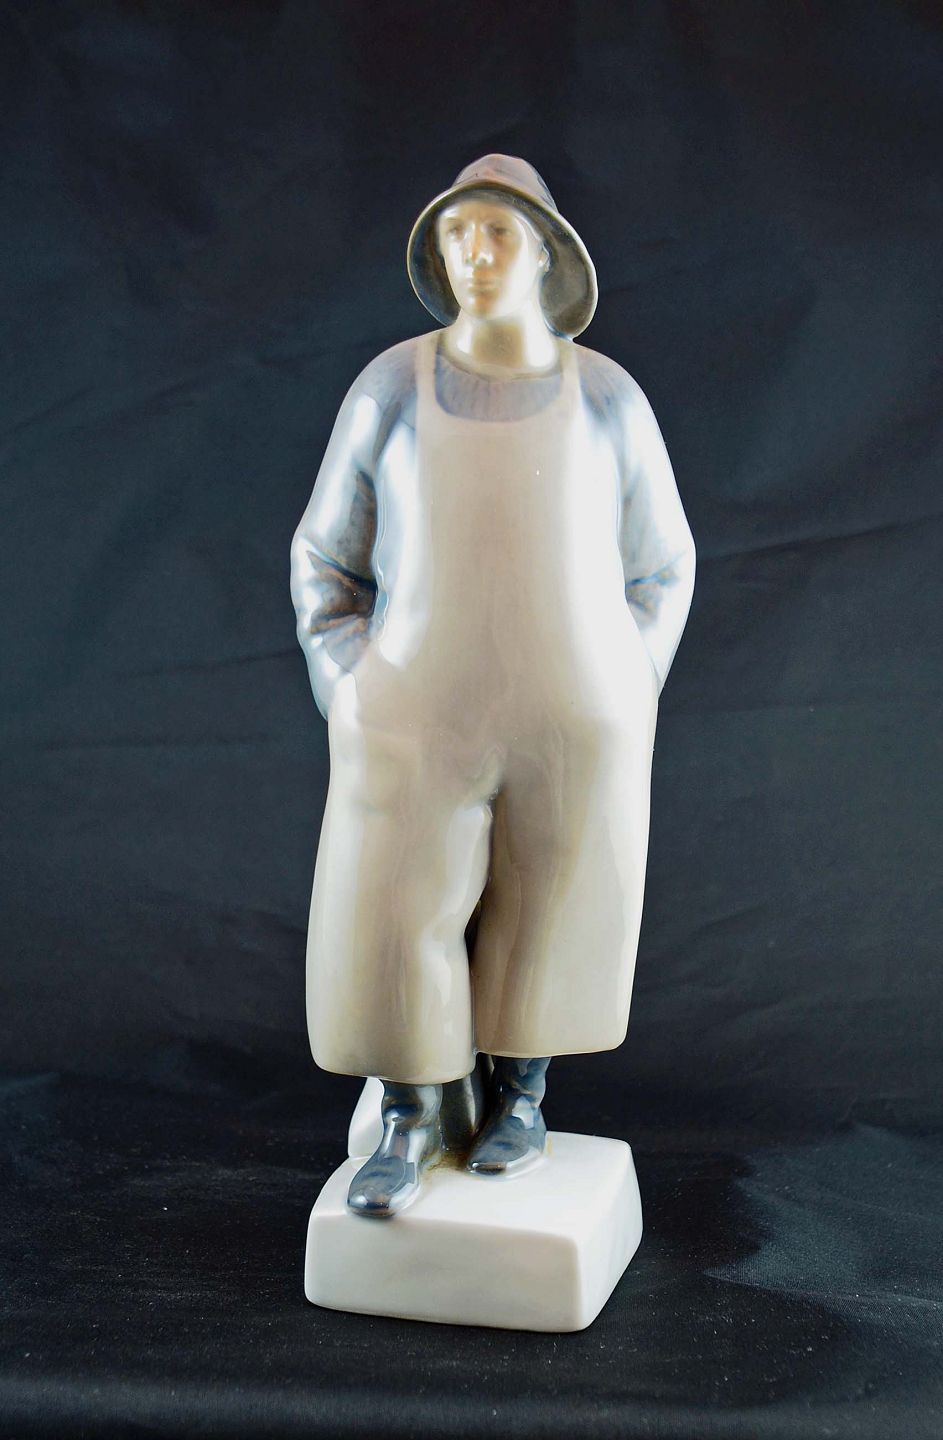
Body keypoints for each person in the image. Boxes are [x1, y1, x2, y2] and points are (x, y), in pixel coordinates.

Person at [290, 154, 695, 1217]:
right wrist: (351, 683)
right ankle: (411, 1112)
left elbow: (662, 565)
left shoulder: (605, 397)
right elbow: (325, 557)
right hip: (418, 711)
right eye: (456, 233)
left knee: (554, 901)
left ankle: (521, 1095)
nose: (474, 253)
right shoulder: (392, 388)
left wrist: (627, 684)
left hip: (571, 717)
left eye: (497, 231)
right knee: (392, 906)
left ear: (546, 253)